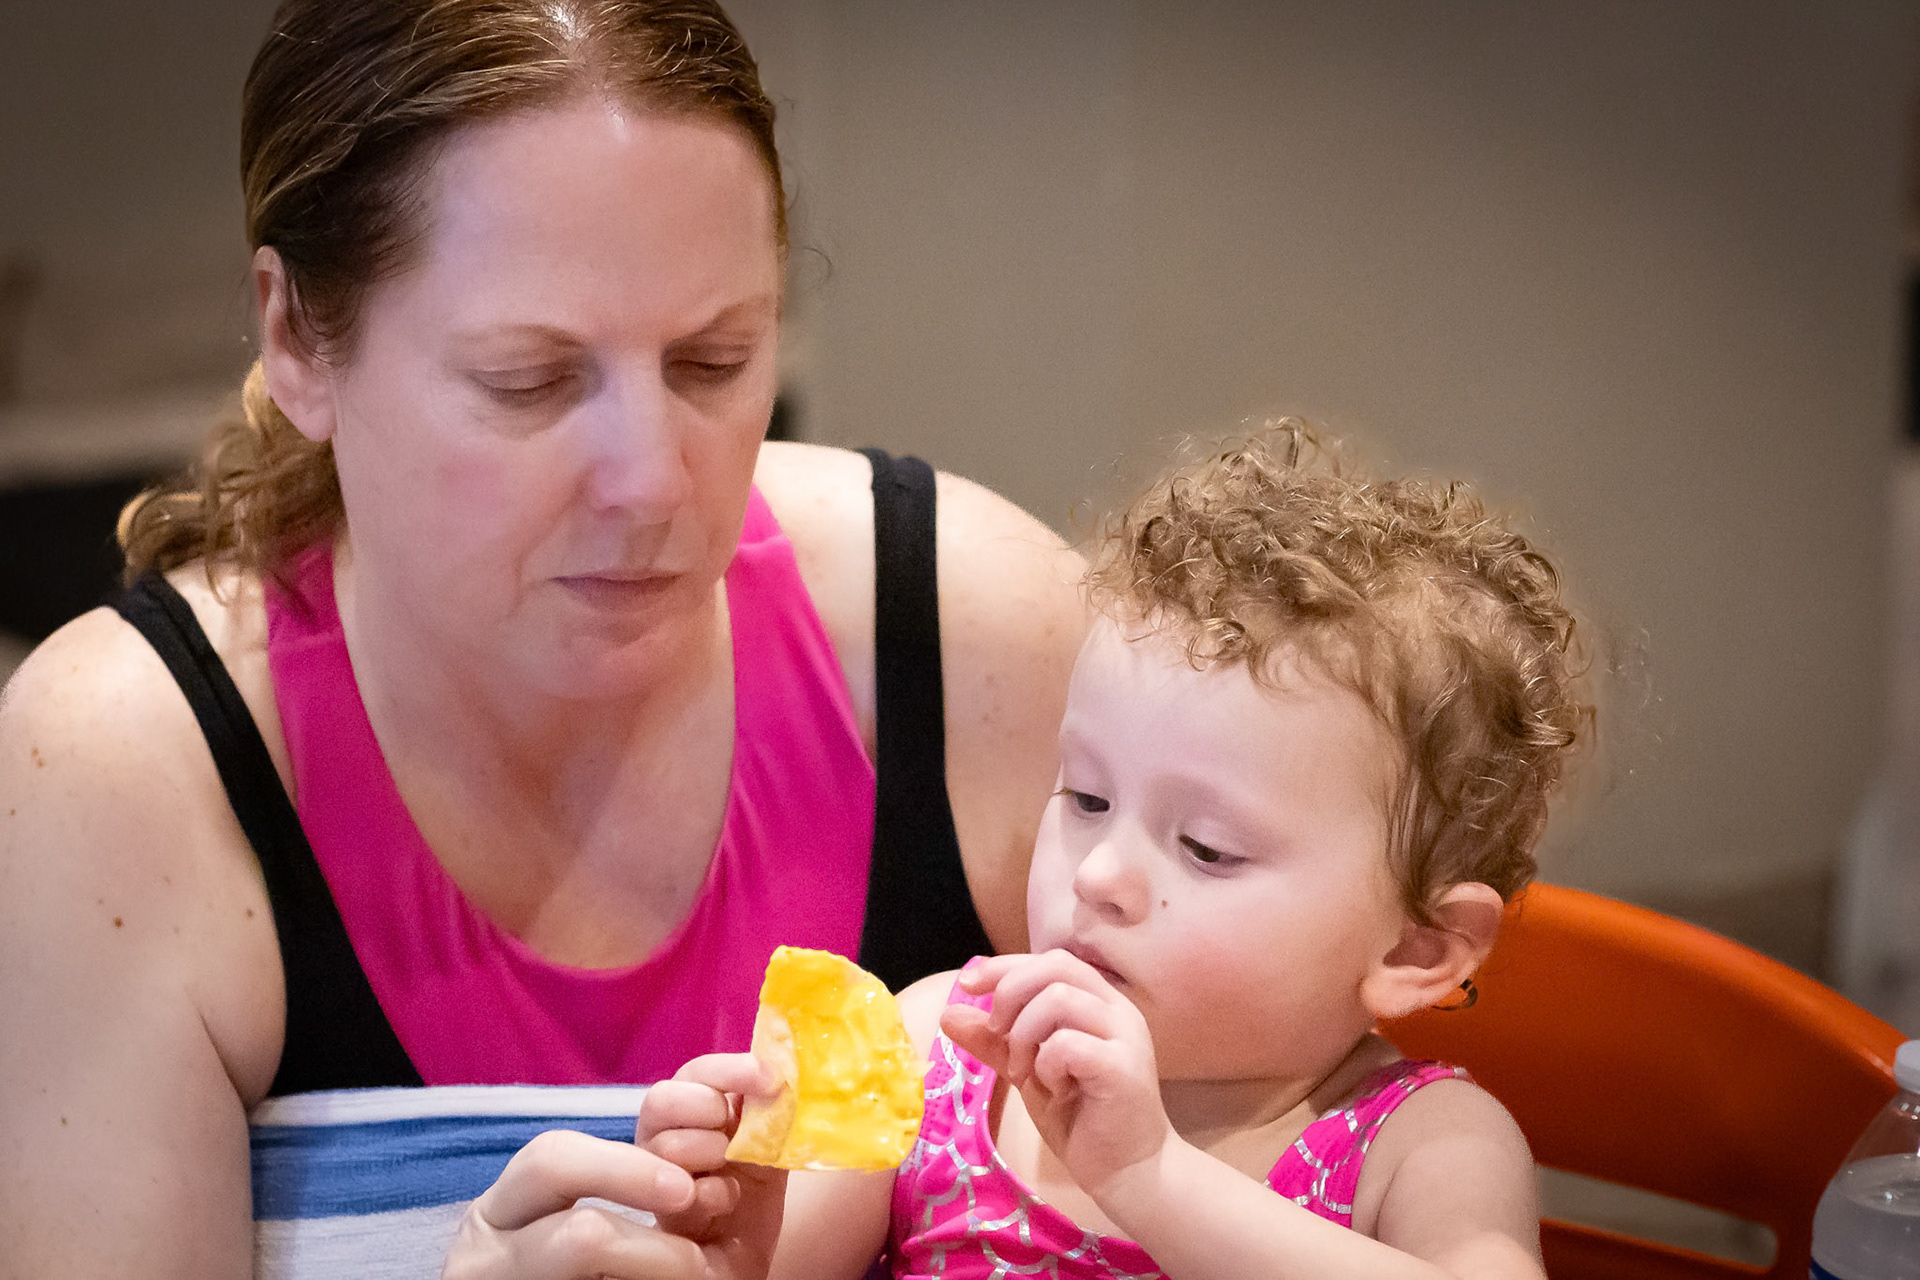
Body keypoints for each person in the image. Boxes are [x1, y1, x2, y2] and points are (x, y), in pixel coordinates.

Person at [0, 2, 1086, 1277]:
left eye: (712, 361)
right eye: (530, 380)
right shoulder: (123, 772)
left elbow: (1327, 1166)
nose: (652, 483)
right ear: (296, 337)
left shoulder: (980, 644)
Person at [636, 423, 1592, 1280]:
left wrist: (1150, 1177)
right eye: (1087, 797)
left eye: (1208, 849)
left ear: (1415, 949)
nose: (1098, 875)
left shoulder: (1421, 1147)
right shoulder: (942, 1051)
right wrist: (735, 1230)